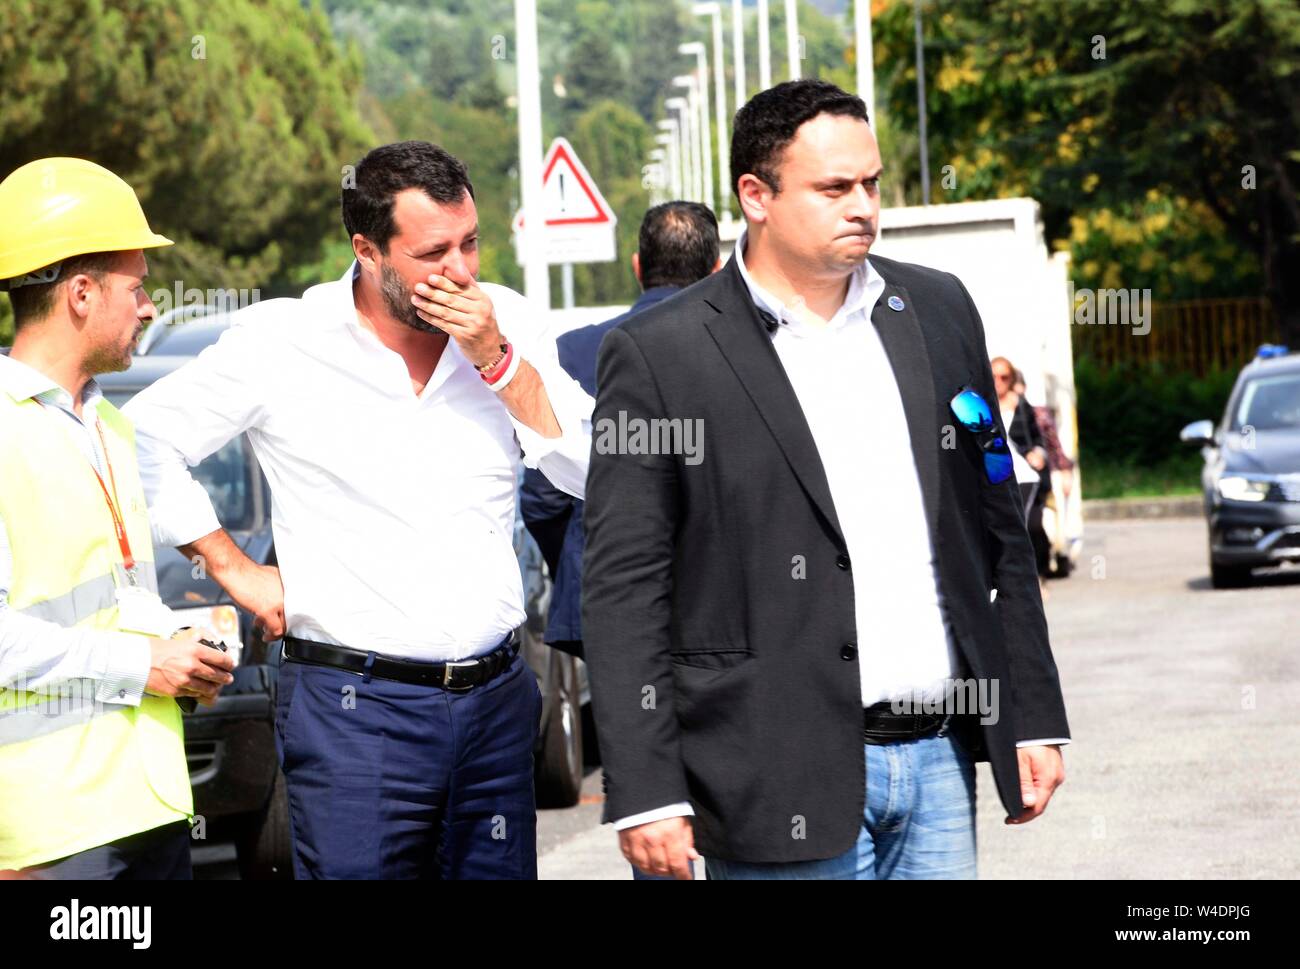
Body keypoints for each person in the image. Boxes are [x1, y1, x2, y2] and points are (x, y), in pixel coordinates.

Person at [582, 80, 1070, 880]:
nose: (863, 207)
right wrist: (644, 788)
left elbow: (996, 527)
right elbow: (625, 582)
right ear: (756, 196)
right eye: (834, 188)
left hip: (940, 761)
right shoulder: (661, 353)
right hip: (767, 775)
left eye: (872, 184)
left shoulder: (940, 309)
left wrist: (1032, 713)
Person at [123, 141, 593, 880]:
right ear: (367, 251)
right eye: (434, 252)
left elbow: (588, 468)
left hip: (496, 708)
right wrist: (233, 568)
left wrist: (498, 359)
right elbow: (142, 437)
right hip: (354, 714)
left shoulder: (508, 323)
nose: (462, 271)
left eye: (470, 242)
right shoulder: (284, 341)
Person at [0, 157, 234, 878]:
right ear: (79, 293)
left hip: (147, 807)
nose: (150, 307)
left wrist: (180, 643)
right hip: (56, 834)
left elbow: (110, 600)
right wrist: (145, 663)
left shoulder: (110, 426)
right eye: (136, 286)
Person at [519, 201, 720, 880]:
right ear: (718, 266)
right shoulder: (743, 338)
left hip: (619, 618)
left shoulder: (580, 350)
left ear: (636, 267)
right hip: (731, 604)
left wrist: (582, 572)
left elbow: (544, 491)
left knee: (651, 777)